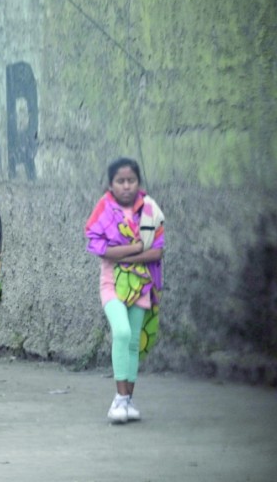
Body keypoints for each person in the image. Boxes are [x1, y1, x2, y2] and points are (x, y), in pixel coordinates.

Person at [85, 157, 165, 424]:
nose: (126, 186)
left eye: (131, 180)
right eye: (121, 181)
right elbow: (99, 247)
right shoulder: (104, 209)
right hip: (112, 286)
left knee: (133, 343)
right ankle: (118, 400)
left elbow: (158, 251)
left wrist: (125, 256)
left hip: (142, 285)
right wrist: (135, 249)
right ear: (111, 184)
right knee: (121, 332)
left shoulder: (150, 210)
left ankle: (128, 401)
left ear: (138, 183)